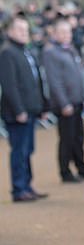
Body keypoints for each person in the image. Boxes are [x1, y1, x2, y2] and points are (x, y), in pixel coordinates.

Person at [0, 15, 48, 202]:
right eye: (20, 30)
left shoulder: (25, 51)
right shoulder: (7, 52)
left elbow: (36, 82)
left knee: (27, 150)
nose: (24, 33)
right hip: (17, 113)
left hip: (30, 110)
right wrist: (19, 110)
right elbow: (9, 85)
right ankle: (19, 189)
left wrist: (43, 106)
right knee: (19, 151)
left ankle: (27, 185)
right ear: (10, 31)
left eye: (25, 30)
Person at [41, 17, 84, 182]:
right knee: (67, 138)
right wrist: (64, 103)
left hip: (77, 101)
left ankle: (81, 167)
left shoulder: (70, 48)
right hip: (65, 104)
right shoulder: (50, 52)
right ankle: (65, 171)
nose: (67, 35)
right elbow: (55, 81)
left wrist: (83, 97)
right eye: (62, 32)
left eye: (68, 31)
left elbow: (78, 74)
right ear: (54, 33)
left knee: (78, 137)